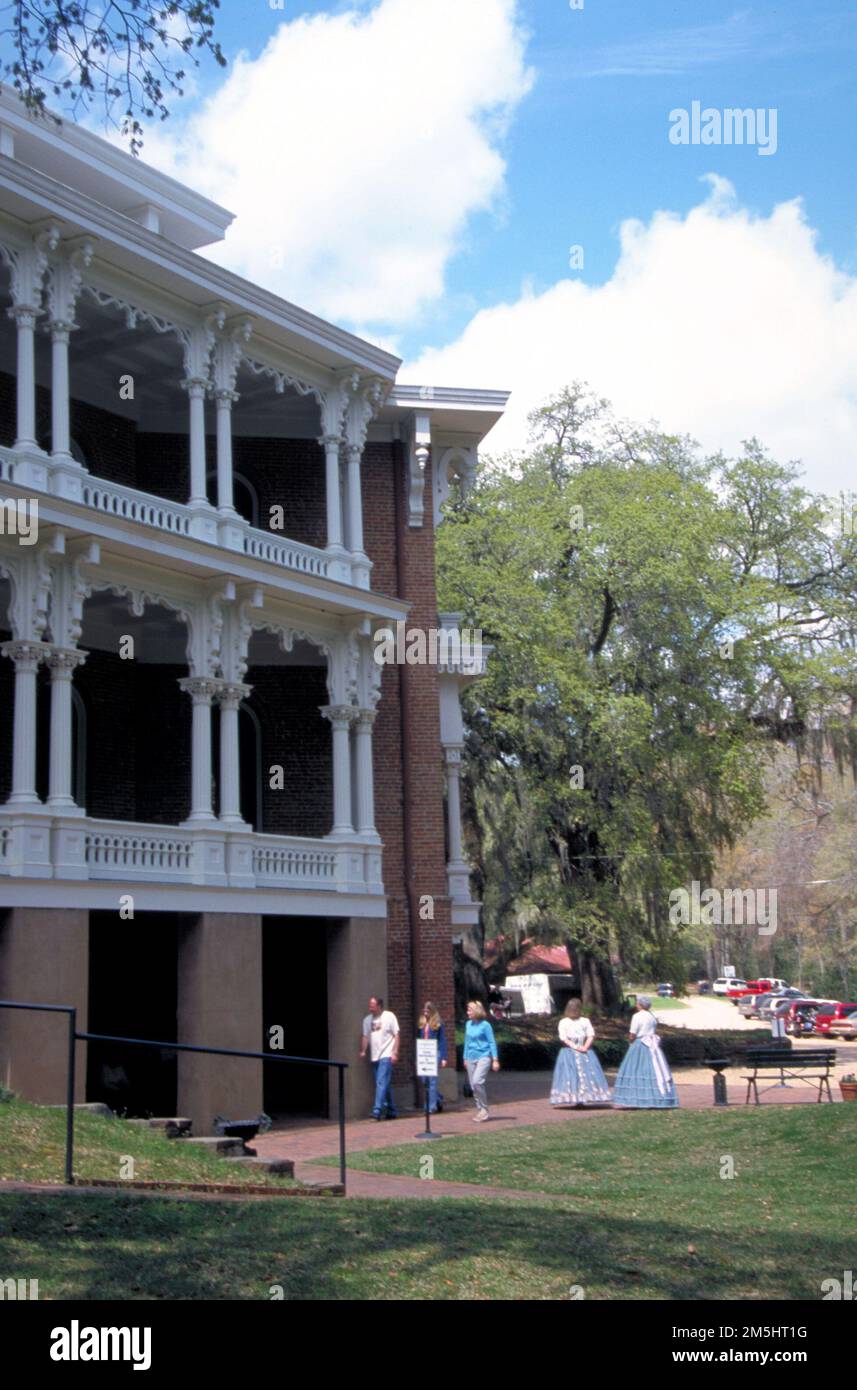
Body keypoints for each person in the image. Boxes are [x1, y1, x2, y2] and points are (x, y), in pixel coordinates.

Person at [613, 995, 679, 1108]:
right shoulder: (652, 1016)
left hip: (640, 1043)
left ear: (640, 1004)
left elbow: (633, 1033)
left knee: (636, 1069)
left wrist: (630, 1041)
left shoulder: (637, 1016)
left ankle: (639, 1099)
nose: (636, 1005)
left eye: (637, 1003)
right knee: (654, 1069)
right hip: (652, 1045)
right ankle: (657, 1097)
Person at [549, 999, 612, 1107]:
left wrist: (583, 1047)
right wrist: (581, 1047)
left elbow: (589, 1035)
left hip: (577, 1049)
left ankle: (581, 1098)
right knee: (574, 1074)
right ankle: (577, 1098)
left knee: (579, 1073)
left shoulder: (582, 1021)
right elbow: (564, 1038)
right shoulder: (566, 1021)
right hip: (574, 1050)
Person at [359, 995, 400, 1119]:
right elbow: (365, 1036)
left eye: (372, 1005)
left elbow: (396, 1035)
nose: (370, 1008)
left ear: (379, 1006)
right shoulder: (367, 1020)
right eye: (369, 1006)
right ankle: (392, 1110)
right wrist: (363, 1050)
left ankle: (377, 1110)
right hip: (374, 1056)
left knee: (381, 1082)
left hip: (386, 1055)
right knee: (384, 1084)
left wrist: (395, 1052)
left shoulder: (389, 1016)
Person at [463, 1000, 499, 1122]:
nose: (468, 1012)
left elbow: (491, 1042)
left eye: (470, 1010)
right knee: (473, 1085)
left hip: (484, 1056)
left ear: (476, 1011)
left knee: (477, 1081)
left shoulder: (485, 1025)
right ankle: (480, 1110)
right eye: (467, 1010)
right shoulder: (468, 1024)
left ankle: (484, 1109)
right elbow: (467, 1042)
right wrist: (465, 1057)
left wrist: (495, 1059)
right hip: (470, 1057)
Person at [417, 1000, 448, 1113]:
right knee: (424, 1080)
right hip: (424, 1052)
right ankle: (438, 1098)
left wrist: (444, 1057)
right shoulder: (422, 1023)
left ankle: (431, 1106)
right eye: (424, 1011)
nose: (425, 1013)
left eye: (427, 1011)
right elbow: (419, 1038)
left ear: (432, 1011)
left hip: (434, 1052)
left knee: (432, 1080)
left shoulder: (438, 1024)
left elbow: (442, 1040)